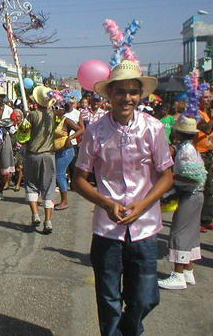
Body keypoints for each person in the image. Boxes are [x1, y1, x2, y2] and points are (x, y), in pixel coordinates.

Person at [72, 60, 173, 336]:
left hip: (145, 228)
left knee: (145, 297)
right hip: (107, 229)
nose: (127, 98)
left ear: (140, 94)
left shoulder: (153, 129)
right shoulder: (95, 131)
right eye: (120, 92)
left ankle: (129, 330)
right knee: (108, 299)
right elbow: (78, 179)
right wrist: (106, 203)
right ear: (110, 95)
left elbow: (166, 175)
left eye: (133, 92)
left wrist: (143, 204)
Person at [158, 116, 206, 290]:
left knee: (179, 233)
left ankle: (178, 274)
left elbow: (195, 176)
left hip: (190, 195)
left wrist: (172, 177)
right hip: (195, 195)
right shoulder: (187, 148)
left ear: (178, 132)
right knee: (191, 233)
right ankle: (187, 271)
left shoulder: (186, 151)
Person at [23, 86, 57, 233]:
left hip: (33, 154)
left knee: (31, 185)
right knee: (49, 187)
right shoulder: (53, 115)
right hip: (49, 155)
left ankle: (35, 214)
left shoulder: (31, 115)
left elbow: (22, 134)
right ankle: (48, 221)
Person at [193, 89, 213, 232]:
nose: (208, 99)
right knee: (198, 190)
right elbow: (206, 130)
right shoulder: (195, 113)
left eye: (209, 97)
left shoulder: (207, 113)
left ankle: (207, 220)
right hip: (197, 155)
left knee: (208, 190)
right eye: (204, 97)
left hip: (207, 154)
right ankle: (196, 221)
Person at [53, 101, 83, 210]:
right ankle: (59, 199)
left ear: (63, 110)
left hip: (66, 151)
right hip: (58, 151)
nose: (55, 109)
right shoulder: (54, 121)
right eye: (54, 107)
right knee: (58, 174)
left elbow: (81, 129)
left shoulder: (66, 121)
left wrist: (70, 138)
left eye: (57, 107)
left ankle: (64, 201)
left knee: (60, 175)